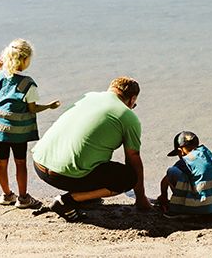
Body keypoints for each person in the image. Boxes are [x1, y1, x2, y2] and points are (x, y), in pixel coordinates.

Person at [31, 76, 152, 222]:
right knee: (128, 177)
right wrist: (141, 198)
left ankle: (85, 195)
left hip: (39, 165)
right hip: (64, 176)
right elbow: (133, 159)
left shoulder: (88, 97)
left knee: (92, 156)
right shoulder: (128, 116)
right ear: (132, 100)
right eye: (134, 105)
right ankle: (68, 200)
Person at [0, 38, 61, 209]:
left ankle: (6, 195)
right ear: (25, 60)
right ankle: (23, 198)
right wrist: (49, 106)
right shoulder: (28, 83)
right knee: (20, 162)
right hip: (17, 131)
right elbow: (33, 108)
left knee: (1, 161)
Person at [157, 130, 212, 216]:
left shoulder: (186, 161)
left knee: (171, 171)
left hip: (200, 206)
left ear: (180, 150)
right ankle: (211, 207)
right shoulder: (207, 155)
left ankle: (181, 207)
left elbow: (164, 181)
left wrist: (163, 196)